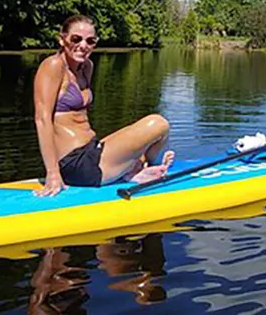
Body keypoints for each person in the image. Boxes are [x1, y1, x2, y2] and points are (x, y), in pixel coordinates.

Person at [33, 14, 174, 196]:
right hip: (76, 165)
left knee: (155, 137)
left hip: (92, 150)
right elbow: (42, 119)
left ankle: (138, 167)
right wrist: (52, 173)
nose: (83, 45)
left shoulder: (87, 67)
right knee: (159, 123)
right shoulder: (53, 65)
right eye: (76, 39)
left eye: (90, 41)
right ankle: (139, 168)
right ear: (62, 39)